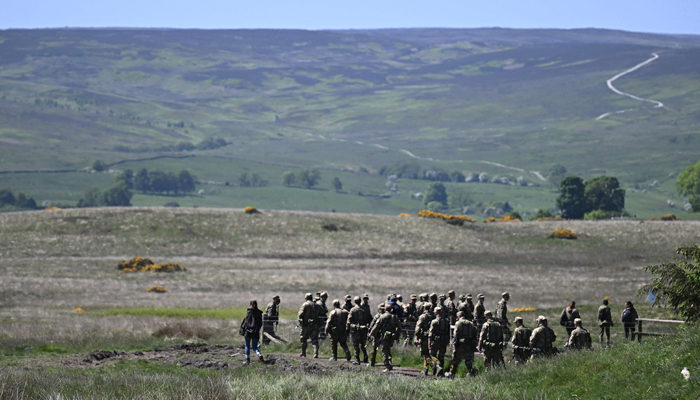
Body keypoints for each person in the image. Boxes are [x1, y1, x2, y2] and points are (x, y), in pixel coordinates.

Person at [369, 301, 401, 372]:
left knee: (384, 351)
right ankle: (389, 363)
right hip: (392, 336)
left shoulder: (383, 316)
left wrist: (371, 333)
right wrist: (397, 336)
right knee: (388, 349)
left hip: (385, 336)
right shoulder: (395, 317)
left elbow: (376, 326)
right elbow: (399, 328)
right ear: (391, 310)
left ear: (385, 309)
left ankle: (387, 366)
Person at [446, 311, 478, 378]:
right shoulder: (470, 323)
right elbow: (475, 333)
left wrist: (454, 345)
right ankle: (469, 374)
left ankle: (452, 373)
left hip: (460, 344)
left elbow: (455, 335)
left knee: (455, 359)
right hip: (469, 343)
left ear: (458, 316)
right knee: (468, 359)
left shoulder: (458, 323)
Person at [241, 300, 265, 365]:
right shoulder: (259, 313)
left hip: (248, 331)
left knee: (247, 345)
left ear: (250, 305)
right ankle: (259, 354)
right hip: (255, 332)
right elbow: (260, 323)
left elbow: (246, 321)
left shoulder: (249, 312)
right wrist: (257, 330)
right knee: (254, 347)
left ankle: (247, 360)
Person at [428, 306, 451, 376]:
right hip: (444, 340)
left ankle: (437, 368)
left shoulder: (434, 321)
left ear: (435, 313)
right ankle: (440, 372)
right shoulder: (447, 321)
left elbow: (431, 333)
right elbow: (448, 332)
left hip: (436, 340)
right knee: (441, 355)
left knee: (432, 355)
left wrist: (429, 343)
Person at [414, 303, 436, 375]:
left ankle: (433, 366)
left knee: (424, 353)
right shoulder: (433, 316)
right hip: (432, 336)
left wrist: (417, 336)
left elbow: (417, 329)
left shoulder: (422, 316)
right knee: (427, 353)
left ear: (424, 308)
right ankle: (425, 369)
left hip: (424, 337)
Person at [347, 296, 369, 364]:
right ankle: (365, 356)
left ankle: (357, 359)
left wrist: (347, 328)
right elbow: (367, 318)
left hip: (356, 330)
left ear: (354, 301)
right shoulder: (364, 309)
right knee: (363, 344)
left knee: (356, 344)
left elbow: (349, 320)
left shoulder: (353, 309)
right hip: (363, 329)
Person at [298, 293, 319, 358]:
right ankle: (315, 353)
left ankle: (303, 353)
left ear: (306, 298)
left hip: (306, 325)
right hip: (315, 324)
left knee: (303, 339)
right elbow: (323, 312)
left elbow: (301, 314)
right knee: (314, 340)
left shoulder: (305, 304)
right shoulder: (317, 305)